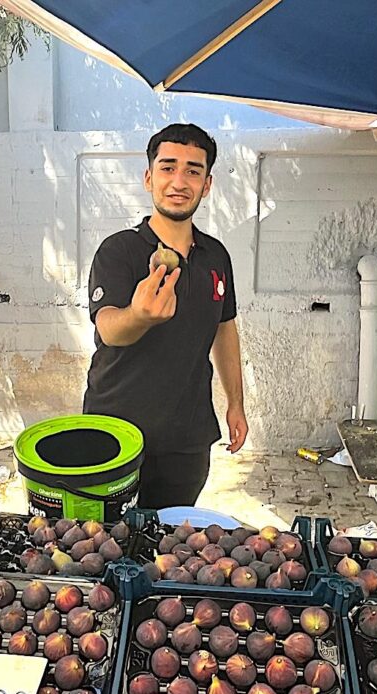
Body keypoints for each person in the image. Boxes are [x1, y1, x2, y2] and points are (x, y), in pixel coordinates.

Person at [83, 123, 247, 509]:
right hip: (115, 432)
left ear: (206, 184)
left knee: (169, 545)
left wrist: (236, 404)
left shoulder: (216, 256)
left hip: (187, 440)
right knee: (102, 542)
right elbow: (109, 329)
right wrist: (139, 315)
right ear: (148, 177)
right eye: (167, 167)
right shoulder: (119, 251)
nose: (179, 181)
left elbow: (225, 330)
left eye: (193, 170)